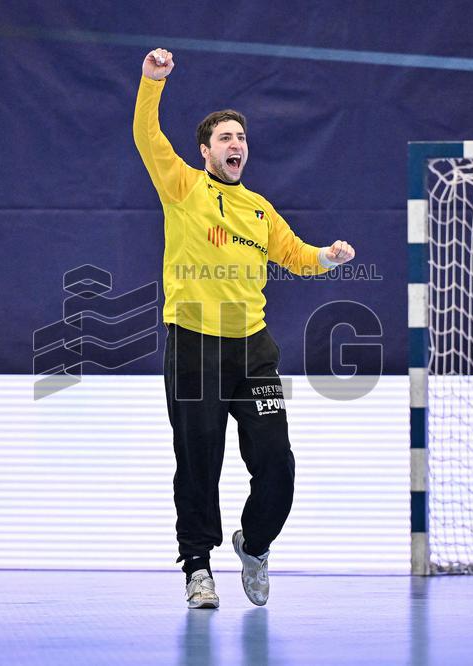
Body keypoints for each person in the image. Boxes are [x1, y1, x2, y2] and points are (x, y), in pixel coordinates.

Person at [133, 48, 355, 609]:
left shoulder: (260, 208)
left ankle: (254, 546)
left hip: (253, 351)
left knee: (276, 464)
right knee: (199, 461)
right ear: (205, 151)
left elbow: (297, 256)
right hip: (194, 344)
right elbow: (146, 135)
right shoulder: (183, 187)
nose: (236, 145)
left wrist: (326, 257)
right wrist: (151, 82)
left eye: (241, 139)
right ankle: (198, 567)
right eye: (225, 139)